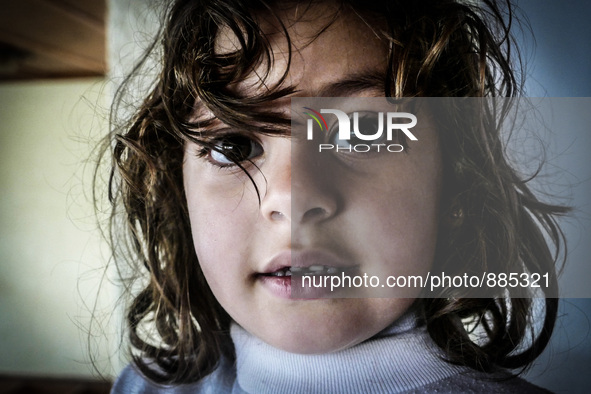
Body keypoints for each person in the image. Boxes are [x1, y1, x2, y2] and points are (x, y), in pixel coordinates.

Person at [106, 0, 567, 392]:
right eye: (234, 146)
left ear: (454, 182)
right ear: (179, 189)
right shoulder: (140, 386)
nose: (292, 197)